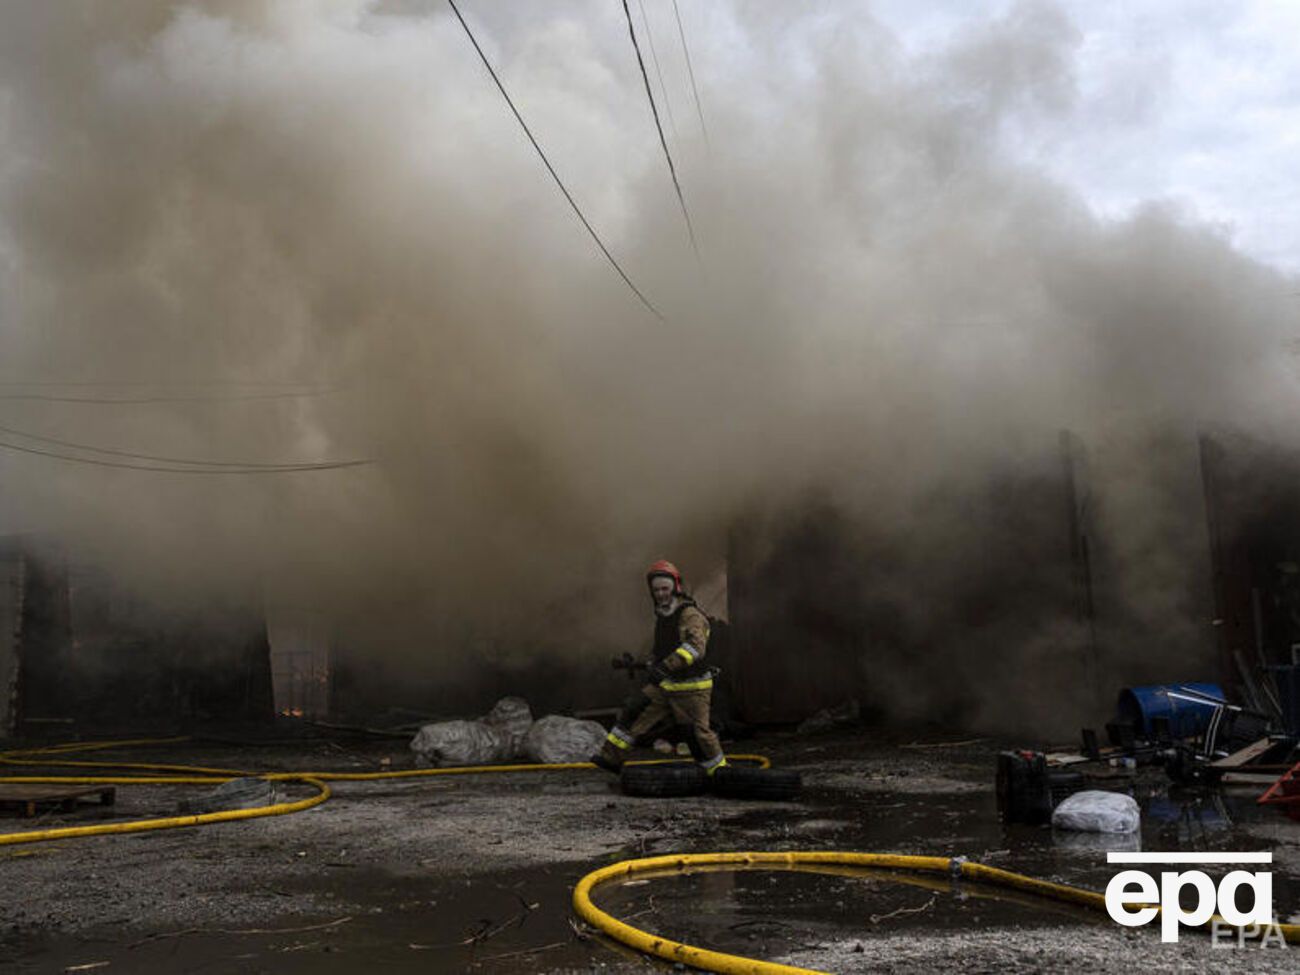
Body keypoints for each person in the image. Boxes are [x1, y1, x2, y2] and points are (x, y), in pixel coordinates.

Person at [592, 560, 727, 775]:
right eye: (656, 590)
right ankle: (611, 757)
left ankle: (719, 773)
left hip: (692, 688)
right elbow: (664, 649)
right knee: (634, 711)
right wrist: (647, 663)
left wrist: (666, 666)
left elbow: (694, 648)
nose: (661, 594)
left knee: (698, 735)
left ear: (676, 586)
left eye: (665, 588)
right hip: (667, 686)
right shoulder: (663, 615)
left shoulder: (689, 615)